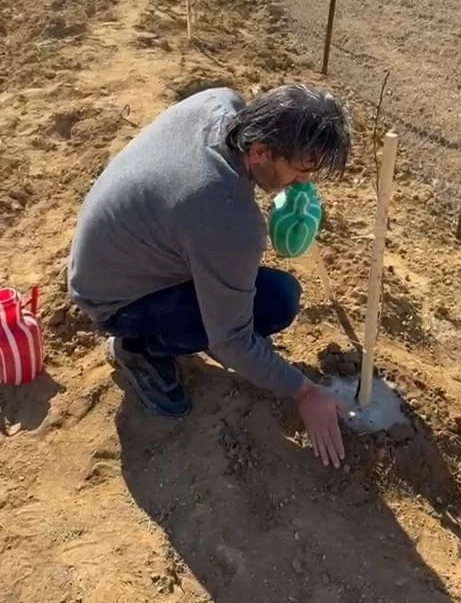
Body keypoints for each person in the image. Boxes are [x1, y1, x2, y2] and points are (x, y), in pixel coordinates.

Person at [68, 84, 351, 467]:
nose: (303, 182)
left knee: (264, 293)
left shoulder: (219, 103)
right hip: (114, 301)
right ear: (259, 151)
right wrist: (305, 393)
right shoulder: (229, 219)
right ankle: (137, 349)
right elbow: (232, 341)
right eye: (300, 170)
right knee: (276, 302)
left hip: (107, 257)